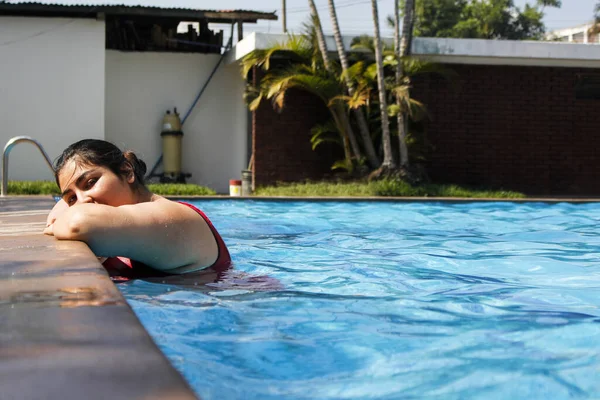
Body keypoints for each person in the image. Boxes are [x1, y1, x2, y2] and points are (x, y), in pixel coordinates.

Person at [44, 139, 231, 281]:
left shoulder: (174, 217)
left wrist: (67, 215)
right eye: (73, 198)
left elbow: (78, 223)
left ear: (127, 171)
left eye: (91, 182)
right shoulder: (120, 222)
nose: (82, 202)